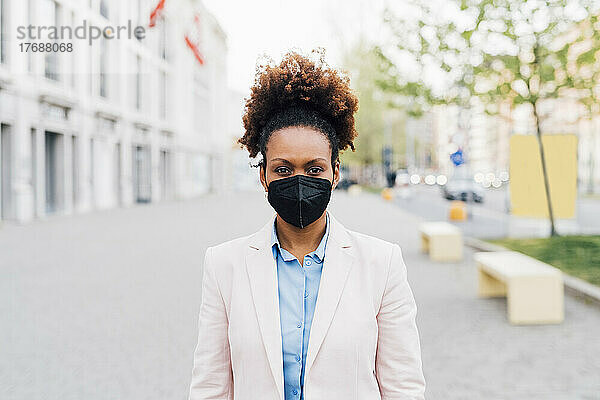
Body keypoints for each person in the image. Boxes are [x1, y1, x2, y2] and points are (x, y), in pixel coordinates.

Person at [188, 49, 425, 400]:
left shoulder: (382, 263)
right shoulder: (224, 266)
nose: (299, 181)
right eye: (283, 169)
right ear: (264, 176)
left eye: (314, 169)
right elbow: (210, 387)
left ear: (336, 173)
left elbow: (403, 387)